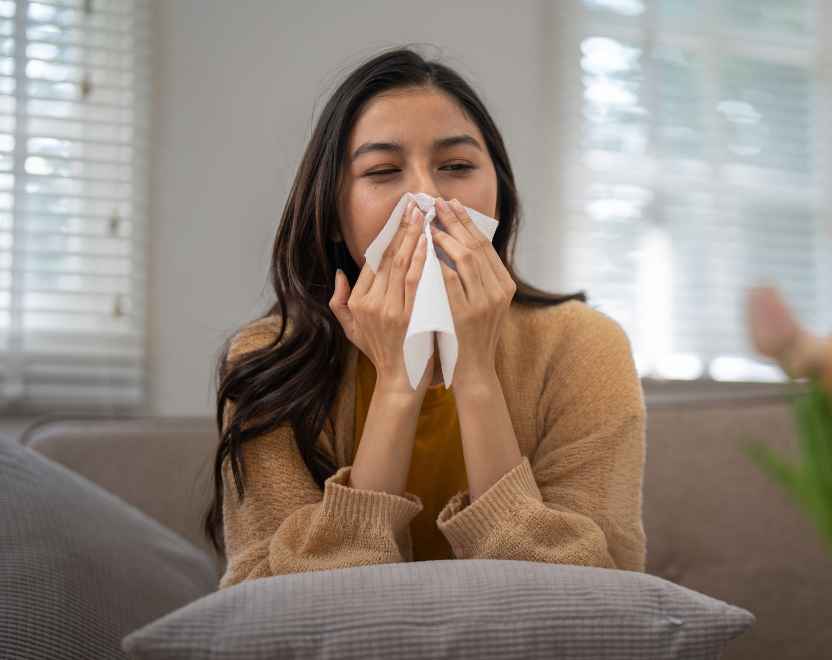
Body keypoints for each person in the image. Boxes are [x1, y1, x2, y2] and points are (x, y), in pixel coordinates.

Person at [204, 47, 647, 590]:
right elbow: (267, 602)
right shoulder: (268, 358)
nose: (427, 198)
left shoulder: (583, 345)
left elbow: (599, 591)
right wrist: (398, 381)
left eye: (457, 166)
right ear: (334, 217)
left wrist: (476, 372)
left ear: (500, 196)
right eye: (383, 170)